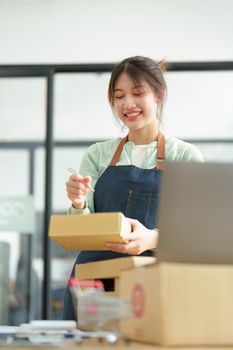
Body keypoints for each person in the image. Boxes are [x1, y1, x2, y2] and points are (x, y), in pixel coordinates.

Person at [63, 56, 203, 319]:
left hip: (152, 283)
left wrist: (151, 239)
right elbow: (78, 234)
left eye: (138, 93)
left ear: (158, 95)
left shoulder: (185, 156)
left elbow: (196, 234)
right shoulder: (97, 155)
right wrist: (78, 203)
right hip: (95, 285)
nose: (128, 104)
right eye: (119, 96)